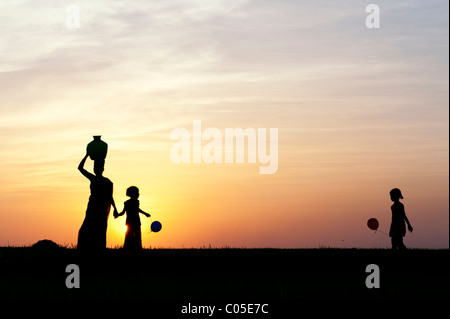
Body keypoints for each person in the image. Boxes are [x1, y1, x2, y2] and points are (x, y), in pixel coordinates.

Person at [77, 154, 118, 256]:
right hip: (93, 208)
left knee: (96, 230)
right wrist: (86, 155)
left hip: (98, 208)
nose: (95, 169)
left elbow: (110, 197)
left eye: (97, 167)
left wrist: (115, 209)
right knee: (90, 229)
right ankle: (90, 251)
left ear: (102, 169)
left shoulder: (105, 181)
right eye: (94, 167)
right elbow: (80, 168)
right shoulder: (98, 179)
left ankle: (95, 252)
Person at [114, 186, 150, 253]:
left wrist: (117, 215)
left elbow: (122, 213)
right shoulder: (135, 202)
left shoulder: (127, 203)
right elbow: (137, 209)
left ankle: (128, 249)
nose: (138, 194)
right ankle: (137, 249)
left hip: (129, 222)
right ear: (133, 194)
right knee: (137, 236)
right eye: (137, 193)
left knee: (129, 236)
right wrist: (145, 213)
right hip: (136, 222)